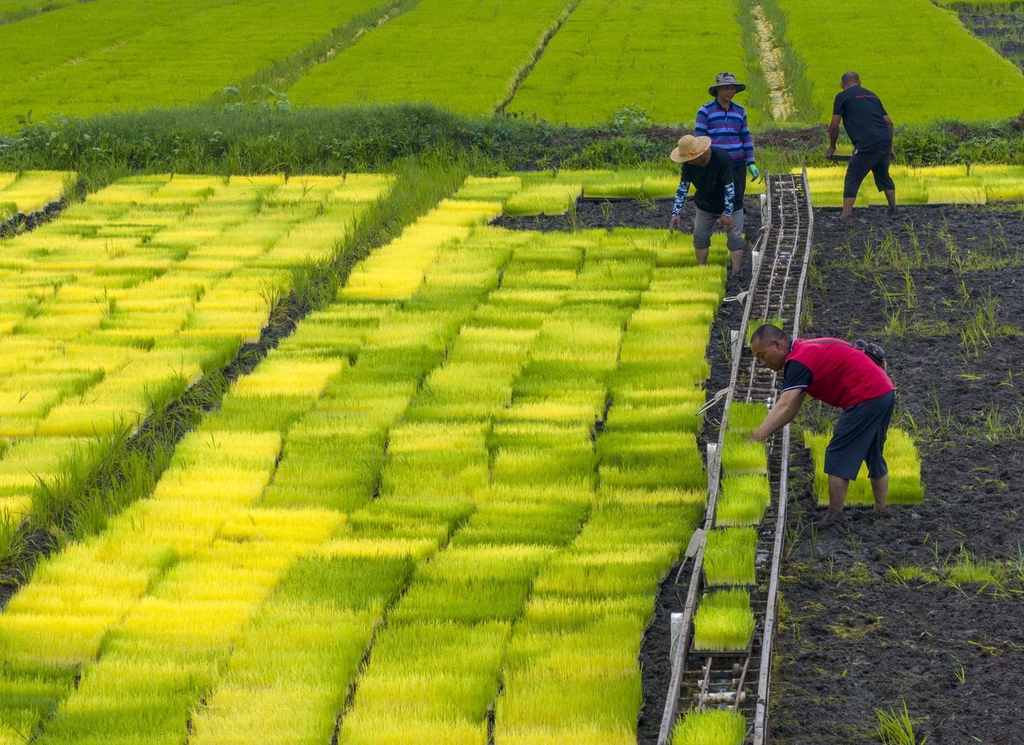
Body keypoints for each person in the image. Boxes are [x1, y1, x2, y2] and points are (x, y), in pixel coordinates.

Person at [747, 325, 896, 524]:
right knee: (873, 452)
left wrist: (756, 439)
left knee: (837, 454)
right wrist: (766, 434)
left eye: (762, 355)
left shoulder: (798, 361)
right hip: (884, 391)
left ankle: (833, 518)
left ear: (776, 345)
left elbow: (783, 406)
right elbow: (791, 409)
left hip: (865, 397)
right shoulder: (804, 351)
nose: (763, 363)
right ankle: (881, 511)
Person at [668, 134, 744, 275]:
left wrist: (727, 213)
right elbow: (683, 187)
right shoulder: (689, 165)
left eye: (690, 159)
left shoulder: (721, 158)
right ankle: (701, 271)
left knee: (734, 237)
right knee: (700, 236)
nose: (688, 162)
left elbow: (729, 187)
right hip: (705, 202)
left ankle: (736, 274)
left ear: (700, 154)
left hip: (731, 202)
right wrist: (676, 213)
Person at [826, 71, 896, 218]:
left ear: (842, 85)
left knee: (853, 176)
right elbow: (889, 122)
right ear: (859, 83)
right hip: (883, 141)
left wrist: (832, 146)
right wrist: (889, 146)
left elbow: (834, 125)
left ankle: (845, 215)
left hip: (866, 143)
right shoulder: (872, 95)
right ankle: (892, 207)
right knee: (882, 174)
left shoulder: (842, 96)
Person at [696, 72, 758, 223]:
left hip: (737, 163)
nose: (730, 91)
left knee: (737, 195)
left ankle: (735, 223)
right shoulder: (705, 111)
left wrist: (750, 162)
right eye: (726, 88)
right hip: (715, 164)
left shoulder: (740, 111)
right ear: (718, 90)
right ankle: (714, 219)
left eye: (732, 88)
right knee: (715, 194)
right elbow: (700, 140)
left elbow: (745, 136)